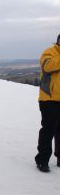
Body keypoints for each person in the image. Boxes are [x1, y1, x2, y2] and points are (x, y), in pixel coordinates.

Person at [35, 34, 60, 172]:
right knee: (48, 131)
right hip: (49, 99)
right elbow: (48, 66)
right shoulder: (49, 52)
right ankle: (42, 160)